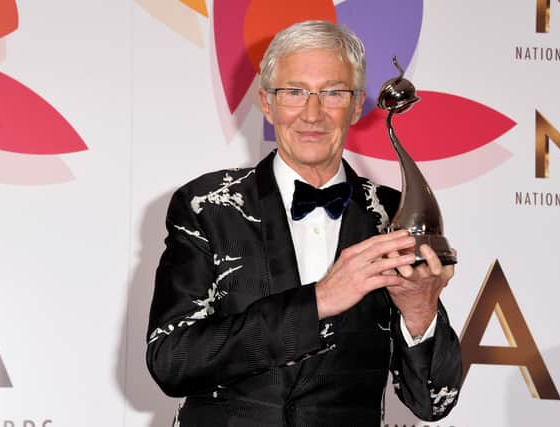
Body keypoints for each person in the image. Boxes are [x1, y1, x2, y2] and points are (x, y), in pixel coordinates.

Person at [146, 20, 461, 427]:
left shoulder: (393, 214)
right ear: (266, 101)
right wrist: (320, 300)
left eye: (332, 92)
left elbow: (433, 402)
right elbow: (172, 360)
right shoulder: (208, 205)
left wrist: (421, 313)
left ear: (356, 104)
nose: (312, 114)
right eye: (294, 92)